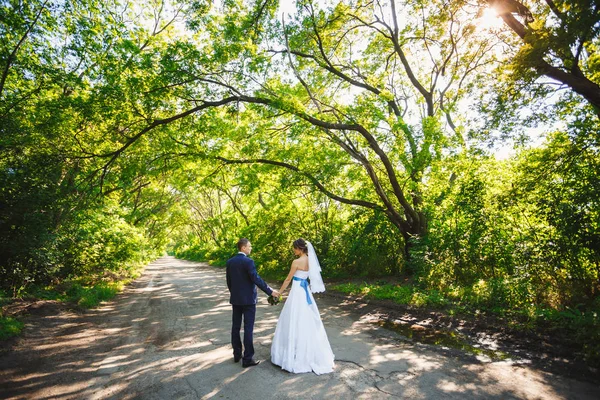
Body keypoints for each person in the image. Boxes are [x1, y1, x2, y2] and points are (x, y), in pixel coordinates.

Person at [270, 239, 334, 374]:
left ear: (299, 248)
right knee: (307, 320)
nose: (294, 251)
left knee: (294, 319)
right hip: (306, 292)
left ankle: (293, 354)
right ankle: (309, 353)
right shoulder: (311, 261)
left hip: (298, 292)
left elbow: (288, 279)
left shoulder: (296, 262)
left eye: (295, 248)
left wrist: (279, 293)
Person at [226, 238, 280, 368]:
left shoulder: (230, 262)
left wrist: (234, 293)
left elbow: (229, 281)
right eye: (249, 246)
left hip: (236, 299)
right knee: (248, 328)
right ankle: (247, 358)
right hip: (249, 300)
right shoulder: (248, 262)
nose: (251, 248)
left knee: (236, 327)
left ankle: (237, 354)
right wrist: (270, 291)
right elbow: (256, 279)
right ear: (243, 248)